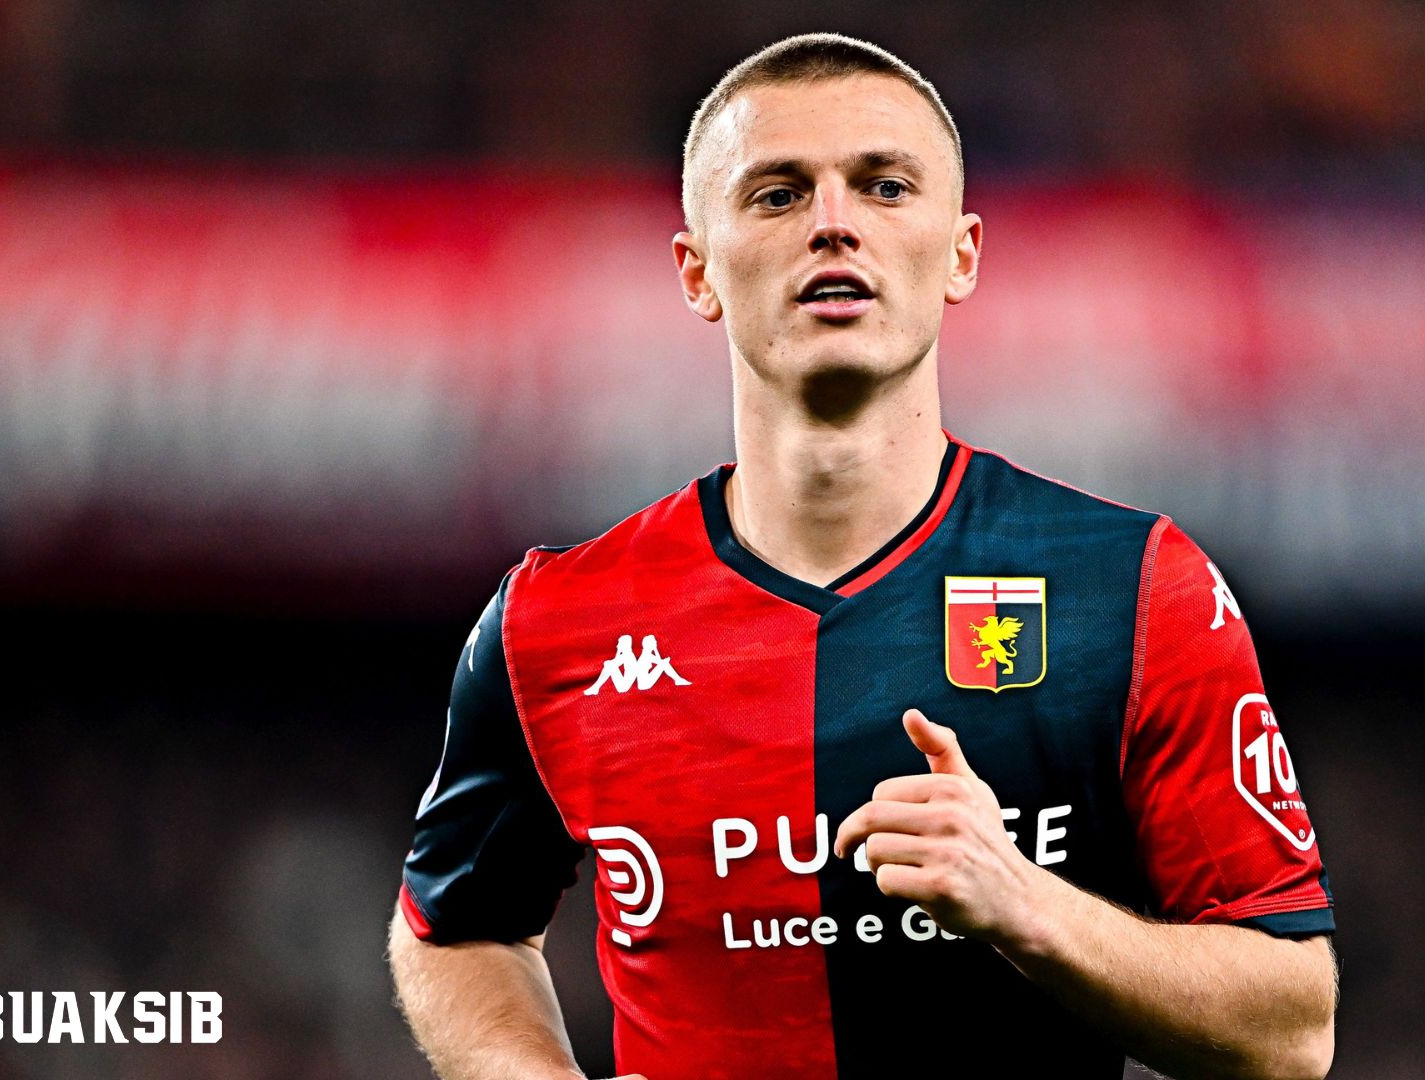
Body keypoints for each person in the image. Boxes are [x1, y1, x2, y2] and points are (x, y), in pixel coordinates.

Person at [388, 32, 1337, 1080]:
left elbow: (1292, 1032)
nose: (833, 222)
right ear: (698, 272)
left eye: (884, 186)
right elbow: (454, 926)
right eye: (778, 194)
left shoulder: (1132, 588)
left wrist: (1026, 904)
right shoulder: (554, 621)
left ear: (962, 254)